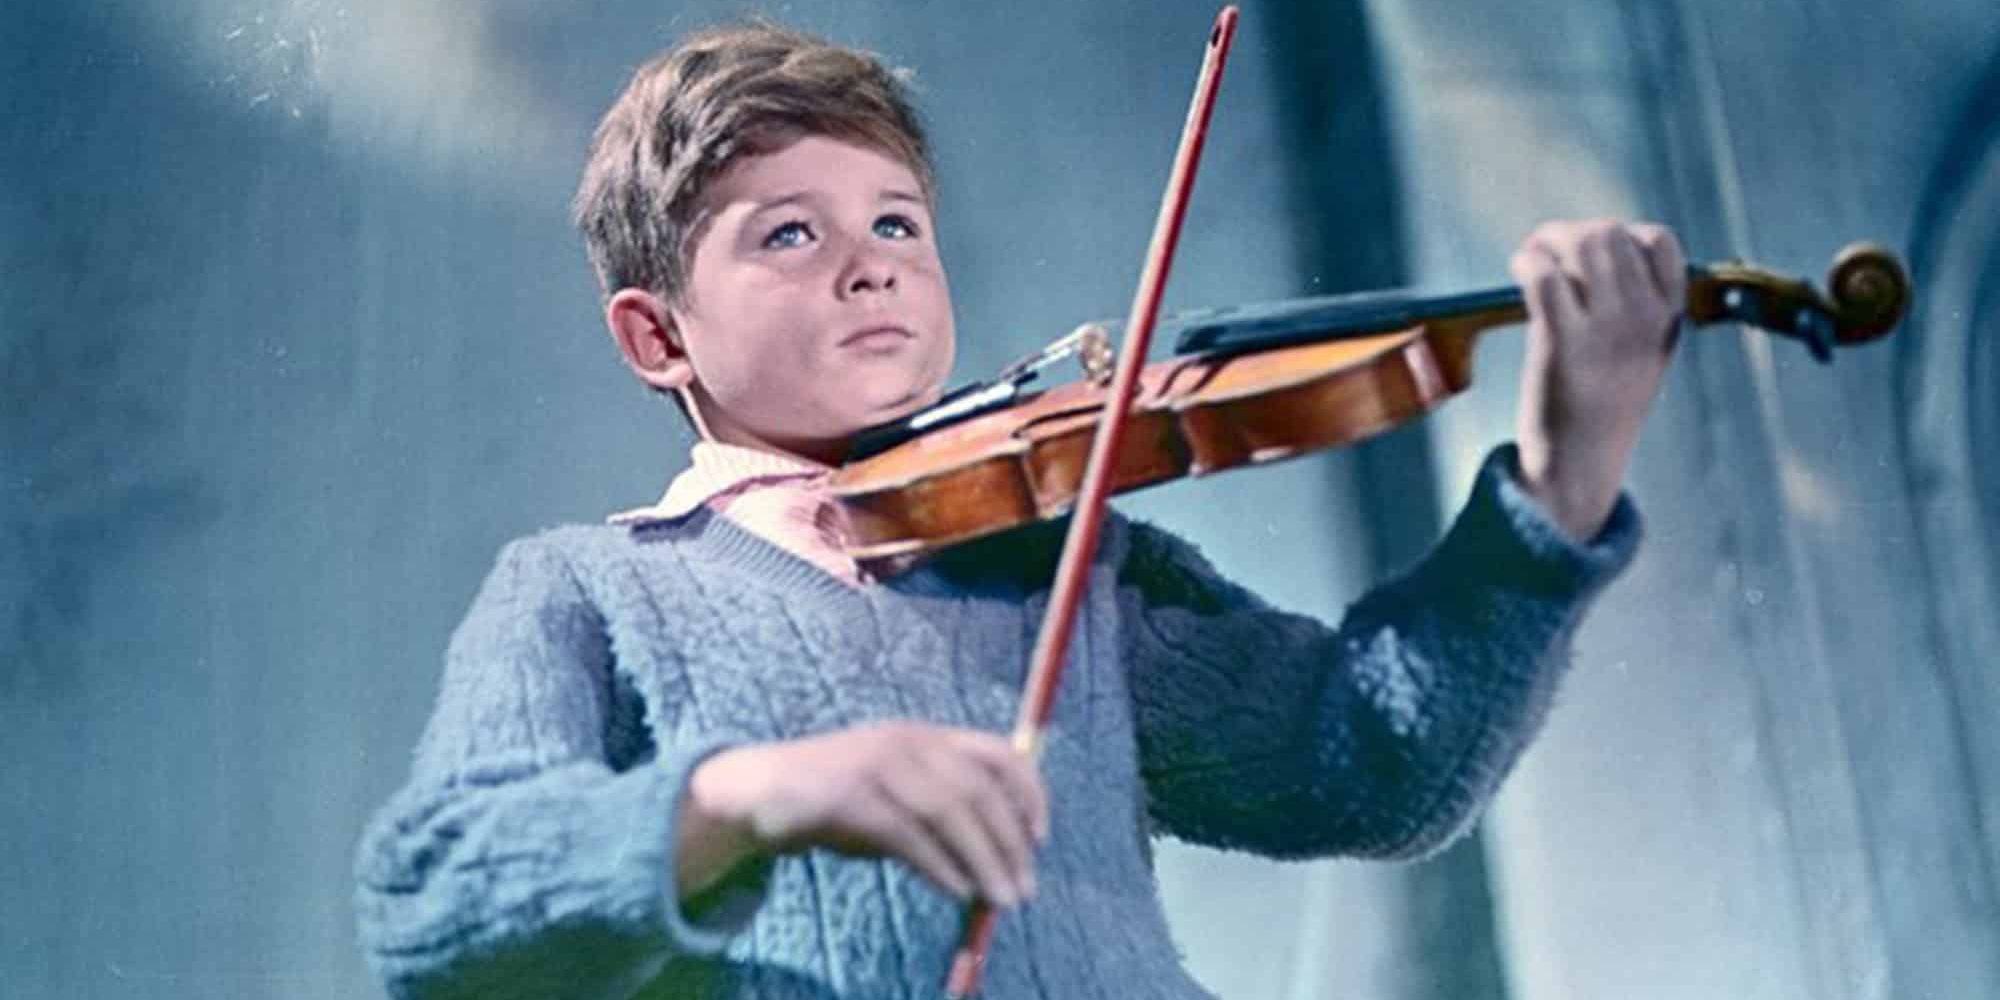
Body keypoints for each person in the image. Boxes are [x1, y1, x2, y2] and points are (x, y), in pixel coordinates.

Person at [351, 19, 1683, 1000]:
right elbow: (437, 898)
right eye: (791, 236)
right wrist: (765, 794)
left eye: (897, 225)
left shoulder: (1054, 561)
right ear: (656, 336)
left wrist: (1562, 483)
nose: (871, 269)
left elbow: (1370, 765)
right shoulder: (594, 589)